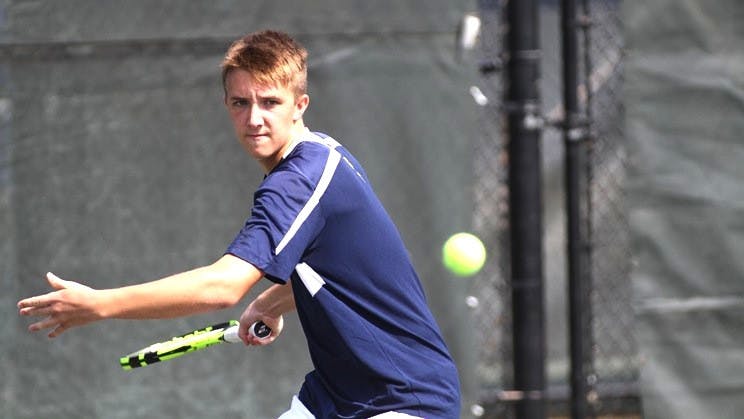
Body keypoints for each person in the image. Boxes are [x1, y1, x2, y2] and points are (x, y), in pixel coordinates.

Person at [17, 30, 461, 418]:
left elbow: (223, 287)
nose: (254, 118)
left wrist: (101, 304)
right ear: (226, 105)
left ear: (300, 105)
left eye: (270, 102)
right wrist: (271, 303)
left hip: (403, 398)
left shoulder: (299, 182)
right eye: (240, 103)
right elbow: (338, 266)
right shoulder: (325, 152)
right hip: (333, 396)